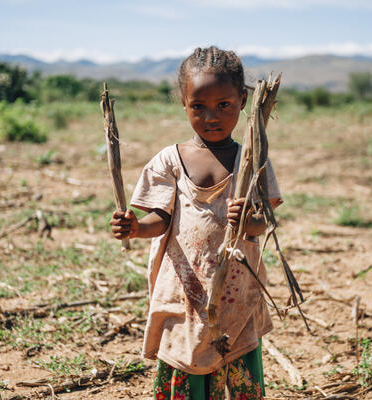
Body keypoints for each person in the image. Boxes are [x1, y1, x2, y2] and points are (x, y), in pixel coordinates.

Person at [109, 46, 282, 400]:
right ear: (184, 104)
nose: (211, 117)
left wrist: (249, 221)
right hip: (183, 293)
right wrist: (137, 228)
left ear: (243, 101)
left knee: (236, 359)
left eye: (224, 106)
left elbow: (264, 223)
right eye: (198, 107)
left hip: (236, 294)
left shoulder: (251, 163)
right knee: (185, 366)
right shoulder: (170, 161)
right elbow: (162, 219)